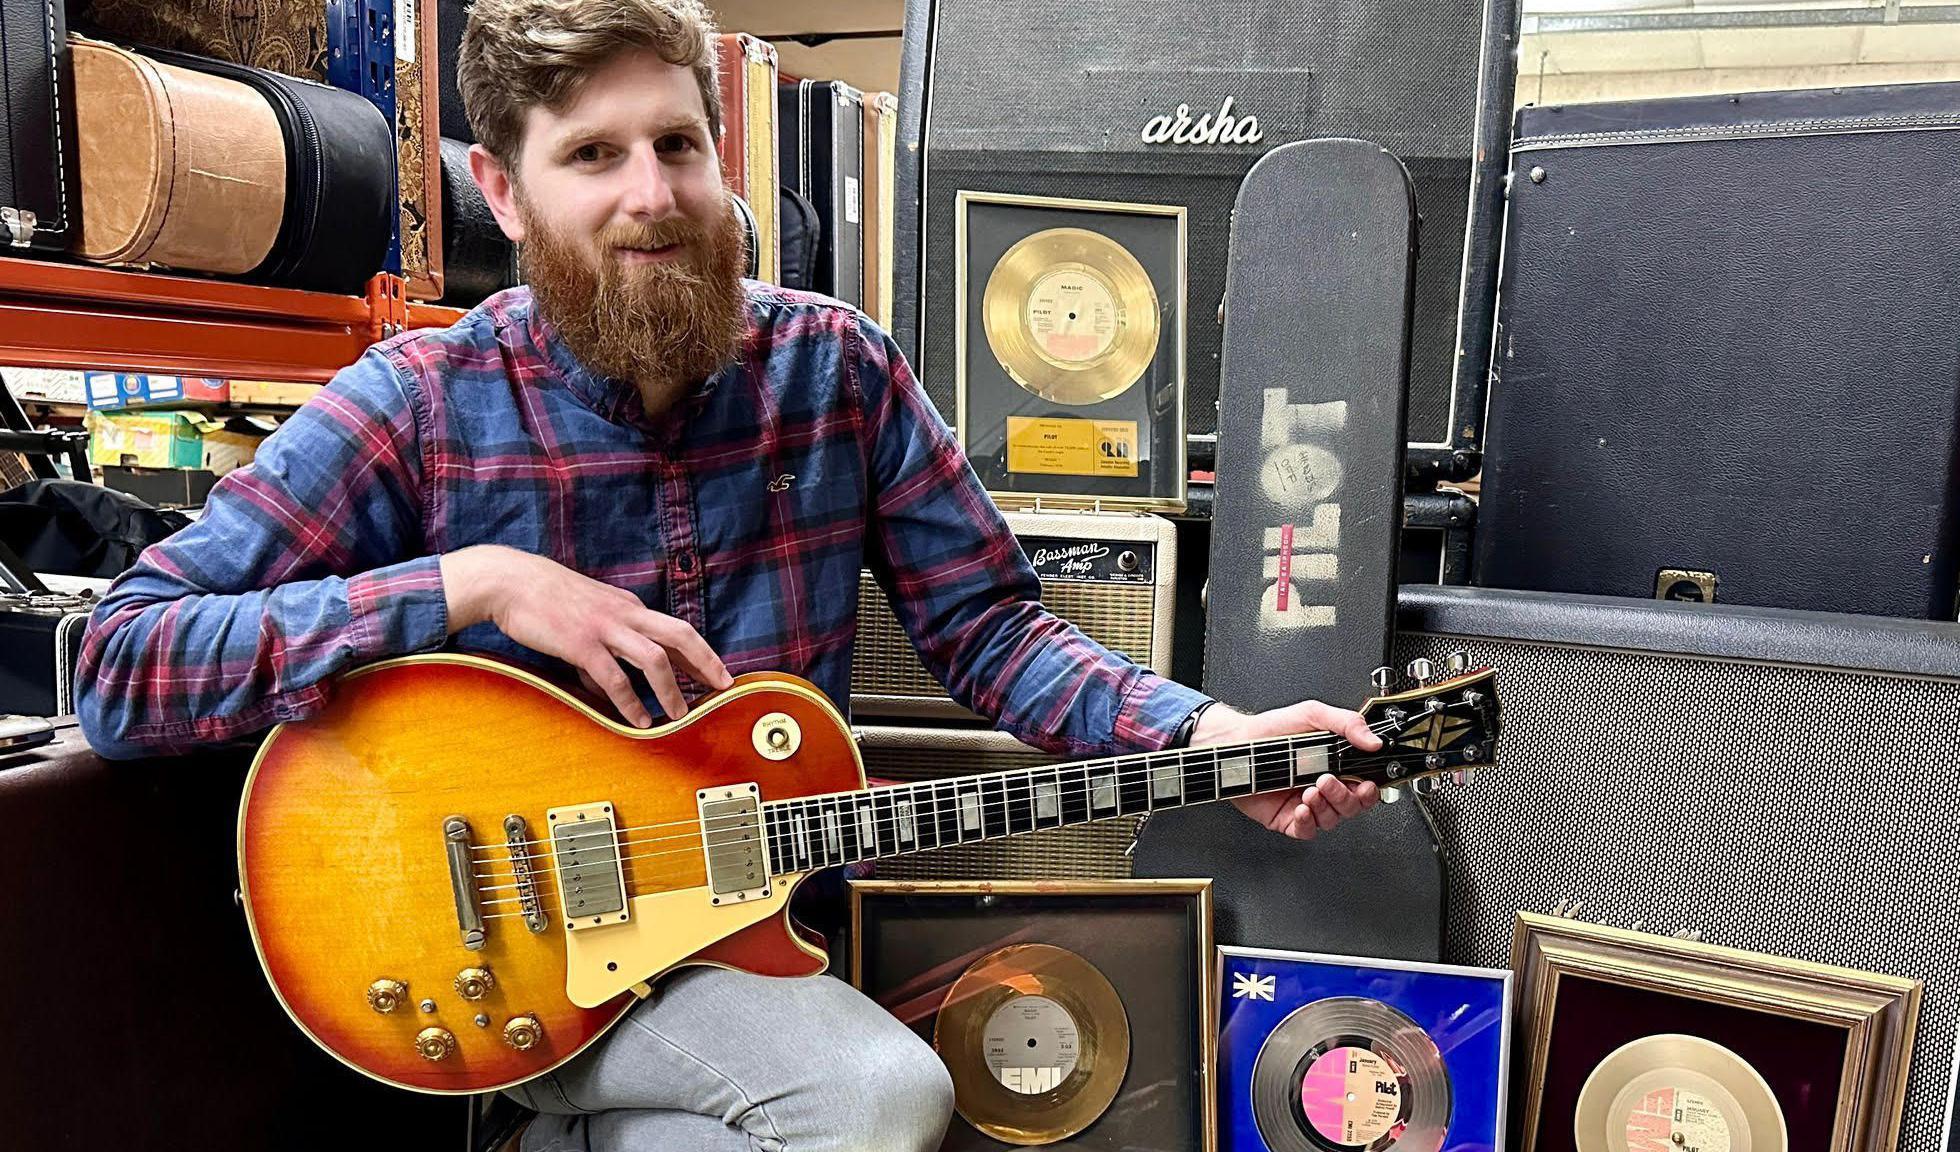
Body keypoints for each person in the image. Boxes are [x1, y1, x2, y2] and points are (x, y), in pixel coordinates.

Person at [72, 1, 1385, 1148]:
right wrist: (471, 585)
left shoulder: (837, 368)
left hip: (748, 943)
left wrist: (1215, 737)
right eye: (594, 155)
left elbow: (990, 631)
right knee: (875, 1102)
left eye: (678, 144)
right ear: (506, 189)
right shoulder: (417, 402)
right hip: (495, 959)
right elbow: (122, 667)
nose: (654, 193)